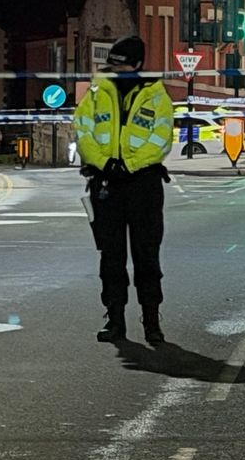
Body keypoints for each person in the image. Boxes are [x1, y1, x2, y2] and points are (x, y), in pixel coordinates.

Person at [73, 36, 175, 345]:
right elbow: (83, 132)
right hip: (105, 184)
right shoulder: (95, 93)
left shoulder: (157, 97)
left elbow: (161, 140)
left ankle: (151, 321)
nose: (117, 71)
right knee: (111, 257)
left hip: (143, 184)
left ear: (138, 64)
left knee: (147, 256)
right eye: (113, 65)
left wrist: (128, 165)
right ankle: (115, 319)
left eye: (123, 65)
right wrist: (105, 163)